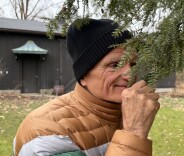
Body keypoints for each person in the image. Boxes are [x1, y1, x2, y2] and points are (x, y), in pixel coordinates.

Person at [13, 19, 160, 156]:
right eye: (115, 65)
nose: (130, 75)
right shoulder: (49, 133)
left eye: (133, 64)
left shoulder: (121, 111)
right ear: (83, 76)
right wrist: (133, 132)